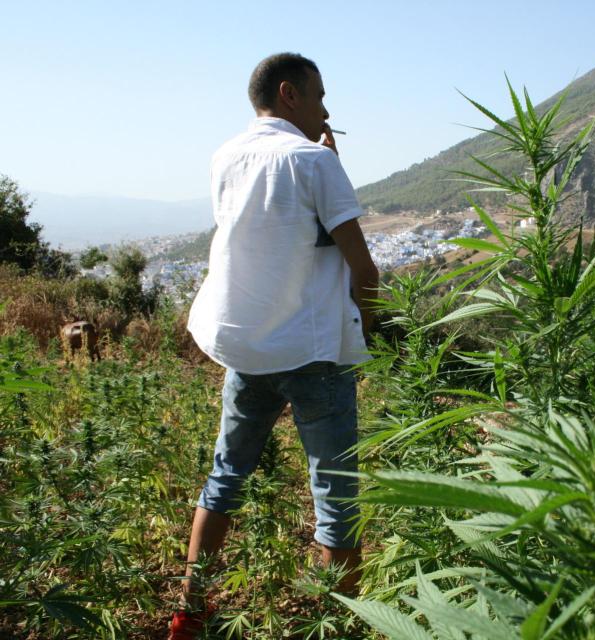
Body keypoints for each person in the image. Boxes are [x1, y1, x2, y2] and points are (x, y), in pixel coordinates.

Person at [169, 52, 379, 639]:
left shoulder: (225, 156)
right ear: (290, 95)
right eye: (319, 96)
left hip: (245, 347)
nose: (326, 108)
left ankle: (191, 610)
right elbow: (363, 269)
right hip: (314, 353)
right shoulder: (314, 161)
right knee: (335, 495)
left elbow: (275, 237)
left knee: (225, 477)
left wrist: (326, 165)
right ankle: (335, 627)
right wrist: (382, 330)